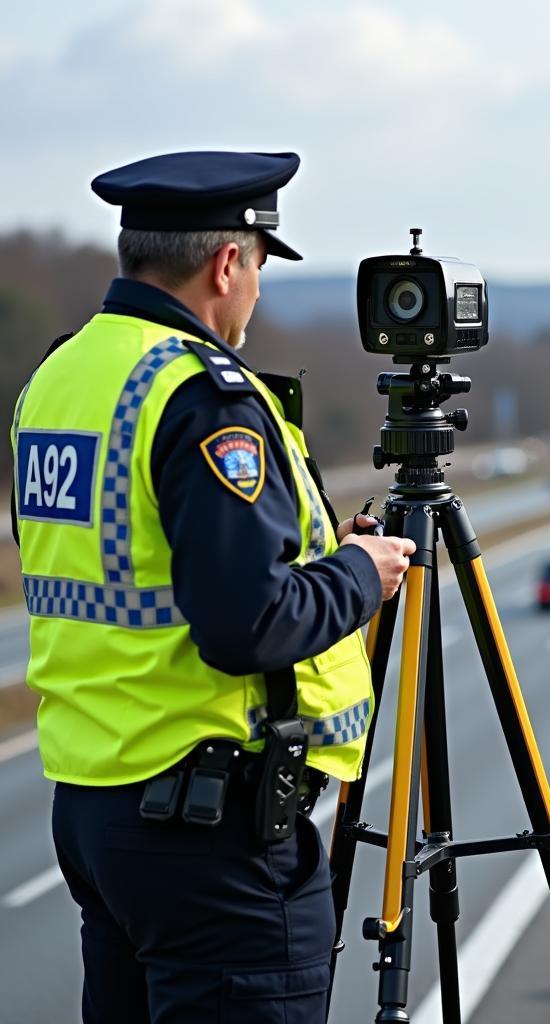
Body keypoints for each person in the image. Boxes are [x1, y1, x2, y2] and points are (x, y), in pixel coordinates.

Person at [10, 150, 415, 1023]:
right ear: (227, 261)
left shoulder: (58, 376)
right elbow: (244, 624)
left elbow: (122, 561)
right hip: (207, 831)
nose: (259, 292)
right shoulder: (202, 396)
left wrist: (308, 555)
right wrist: (357, 575)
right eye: (262, 266)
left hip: (93, 810)